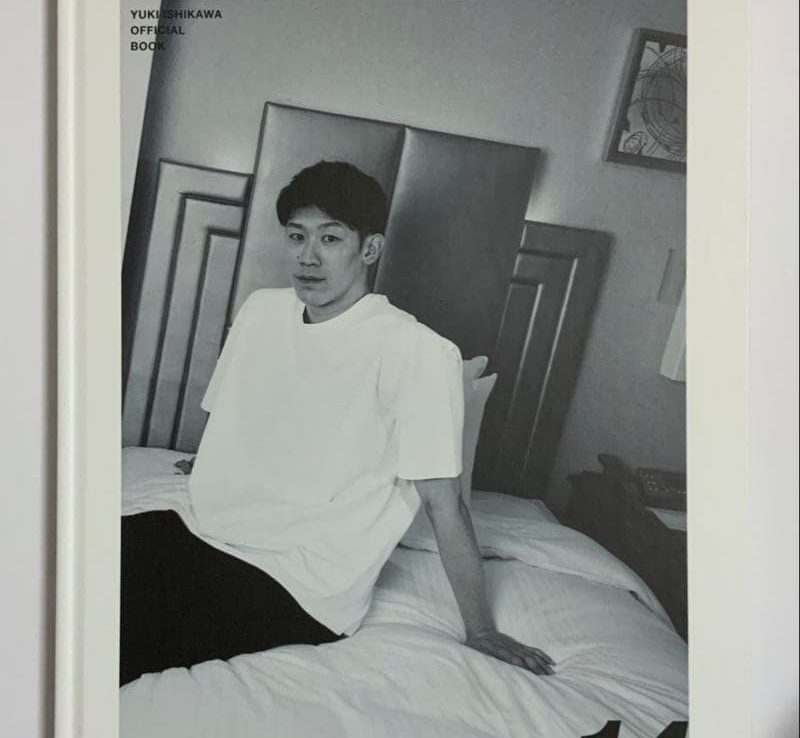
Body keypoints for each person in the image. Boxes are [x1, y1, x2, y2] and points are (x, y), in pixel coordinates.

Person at [120, 160, 554, 684]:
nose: (308, 256)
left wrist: (481, 629)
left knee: (103, 643)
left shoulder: (417, 351)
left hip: (298, 580)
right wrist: (213, 462)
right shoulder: (261, 311)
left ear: (369, 249)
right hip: (203, 529)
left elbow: (445, 502)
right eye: (296, 236)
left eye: (330, 238)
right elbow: (236, 413)